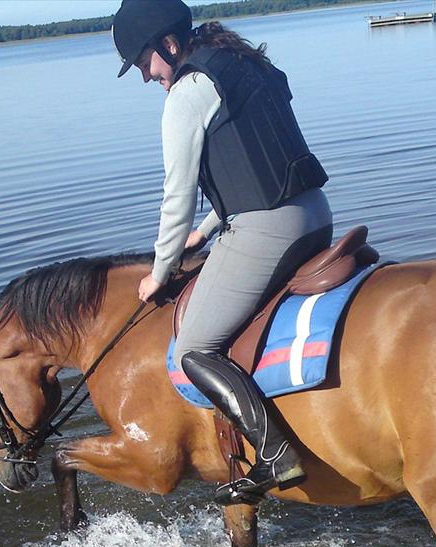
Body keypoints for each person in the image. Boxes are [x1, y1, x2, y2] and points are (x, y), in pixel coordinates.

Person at [112, 0, 333, 506]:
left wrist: (160, 270)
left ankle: (276, 454)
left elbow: (177, 195)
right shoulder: (240, 62)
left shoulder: (188, 91)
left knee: (192, 347)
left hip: (269, 229)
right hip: (313, 213)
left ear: (168, 45)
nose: (147, 76)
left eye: (144, 62)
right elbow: (259, 159)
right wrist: (209, 230)